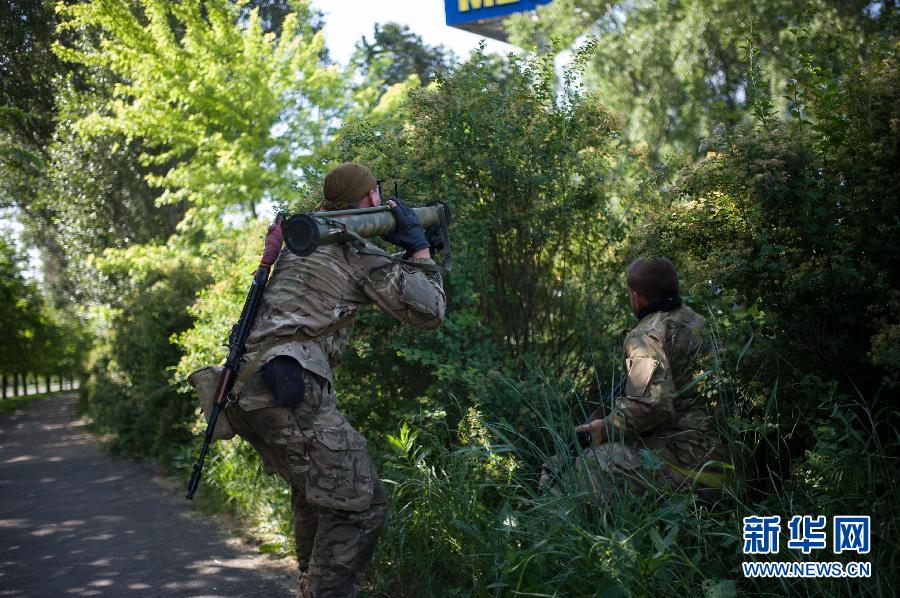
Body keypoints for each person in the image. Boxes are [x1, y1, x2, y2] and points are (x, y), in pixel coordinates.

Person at [224, 162, 446, 597]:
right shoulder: (350, 246)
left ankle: (310, 584)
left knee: (319, 496)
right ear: (368, 200)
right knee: (360, 506)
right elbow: (430, 314)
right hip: (290, 390)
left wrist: (410, 255)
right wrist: (420, 252)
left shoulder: (304, 242)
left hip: (247, 389)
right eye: (378, 194)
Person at [551, 257, 728, 500]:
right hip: (724, 454)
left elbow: (651, 404)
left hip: (689, 463)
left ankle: (576, 533)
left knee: (584, 464)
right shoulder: (698, 321)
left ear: (636, 297)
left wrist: (605, 428)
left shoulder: (646, 336)